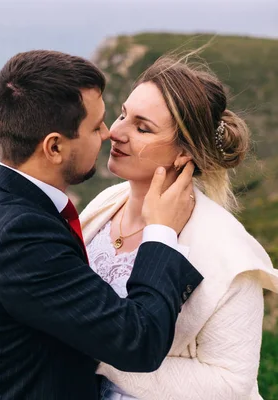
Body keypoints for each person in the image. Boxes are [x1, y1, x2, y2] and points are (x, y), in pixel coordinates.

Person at [0, 50, 203, 400]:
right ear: (53, 147)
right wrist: (160, 232)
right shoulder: (19, 236)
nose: (109, 133)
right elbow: (139, 342)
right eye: (96, 126)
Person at [76, 55, 278, 399]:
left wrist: (96, 352)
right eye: (123, 114)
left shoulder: (228, 254)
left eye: (142, 128)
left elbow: (231, 384)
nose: (114, 132)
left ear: (184, 153)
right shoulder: (106, 204)